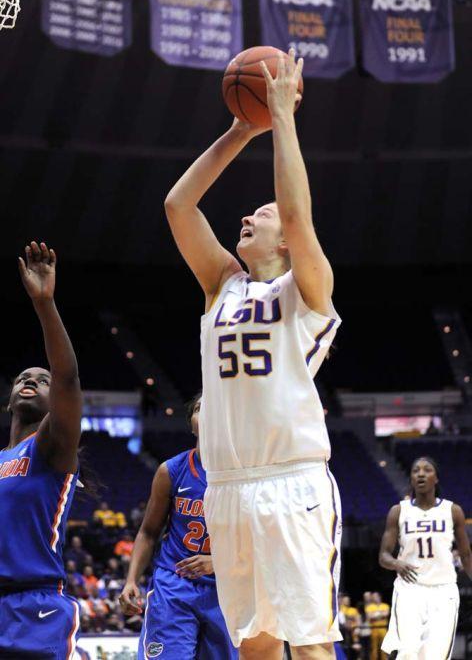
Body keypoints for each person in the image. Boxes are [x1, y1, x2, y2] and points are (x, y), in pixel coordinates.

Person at [165, 49, 342, 660]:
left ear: (288, 245)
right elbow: (178, 206)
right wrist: (242, 130)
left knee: (312, 644)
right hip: (229, 487)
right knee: (256, 647)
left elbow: (296, 213)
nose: (249, 214)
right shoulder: (222, 285)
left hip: (293, 482)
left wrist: (282, 117)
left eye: (260, 214)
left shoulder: (306, 290)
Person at [0, 242, 82, 658]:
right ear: (10, 400)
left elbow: (67, 379)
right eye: (22, 378)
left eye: (41, 380)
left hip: (35, 608)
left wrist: (45, 304)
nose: (30, 380)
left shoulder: (51, 447)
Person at [119, 393, 237, 659]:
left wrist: (217, 561)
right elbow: (148, 532)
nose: (205, 412)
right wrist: (131, 580)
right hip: (174, 585)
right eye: (197, 408)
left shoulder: (247, 473)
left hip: (229, 587)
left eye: (213, 405)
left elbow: (261, 540)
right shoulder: (171, 470)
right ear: (191, 423)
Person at [379, 456, 472, 659]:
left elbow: (465, 554)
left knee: (435, 655)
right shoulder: (398, 512)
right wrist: (396, 563)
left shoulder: (452, 511)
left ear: (436, 478)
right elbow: (383, 555)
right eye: (415, 470)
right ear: (411, 479)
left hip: (443, 590)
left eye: (427, 470)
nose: (421, 473)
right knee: (408, 652)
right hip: (409, 590)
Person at [364, 593, 389, 660]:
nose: (374, 598)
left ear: (379, 596)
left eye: (375, 596)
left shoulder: (385, 605)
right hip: (373, 629)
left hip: (383, 628)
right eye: (373, 597)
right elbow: (369, 616)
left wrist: (375, 614)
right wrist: (380, 613)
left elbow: (386, 614)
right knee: (373, 647)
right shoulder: (369, 607)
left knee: (384, 646)